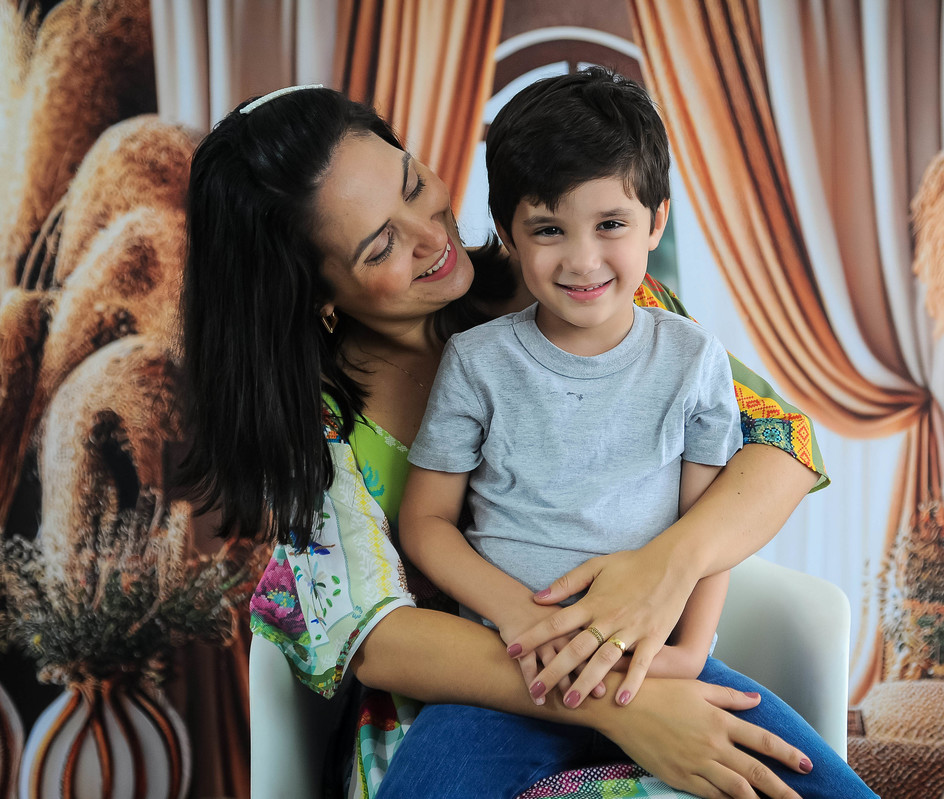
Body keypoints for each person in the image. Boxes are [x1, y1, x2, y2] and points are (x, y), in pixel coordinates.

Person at [180, 82, 861, 799]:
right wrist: (613, 700)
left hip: (649, 664)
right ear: (313, 291)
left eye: (414, 185)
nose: (432, 236)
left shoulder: (587, 293)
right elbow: (376, 637)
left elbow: (782, 443)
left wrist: (667, 566)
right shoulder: (320, 425)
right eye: (382, 245)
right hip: (473, 702)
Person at [391, 68, 878, 799]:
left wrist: (690, 653)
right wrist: (519, 619)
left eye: (611, 225)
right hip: (511, 677)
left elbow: (703, 523)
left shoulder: (694, 358)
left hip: (657, 665)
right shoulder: (477, 361)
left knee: (829, 789)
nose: (582, 259)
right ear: (507, 234)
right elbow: (426, 523)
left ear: (657, 220)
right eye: (549, 229)